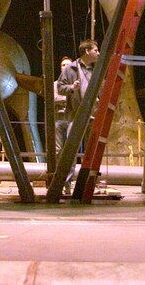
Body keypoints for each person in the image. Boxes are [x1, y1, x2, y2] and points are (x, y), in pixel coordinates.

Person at [56, 39, 100, 195]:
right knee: (70, 151)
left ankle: (89, 185)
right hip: (75, 115)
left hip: (93, 115)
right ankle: (65, 184)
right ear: (87, 51)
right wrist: (71, 88)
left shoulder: (98, 69)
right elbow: (60, 88)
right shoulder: (70, 69)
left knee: (92, 151)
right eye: (96, 50)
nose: (98, 53)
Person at [54, 55, 73, 155]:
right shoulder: (55, 84)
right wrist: (68, 98)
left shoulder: (77, 83)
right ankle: (57, 170)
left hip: (72, 119)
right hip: (58, 119)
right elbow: (53, 98)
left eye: (67, 65)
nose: (65, 67)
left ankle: (70, 170)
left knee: (71, 149)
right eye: (63, 65)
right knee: (58, 149)